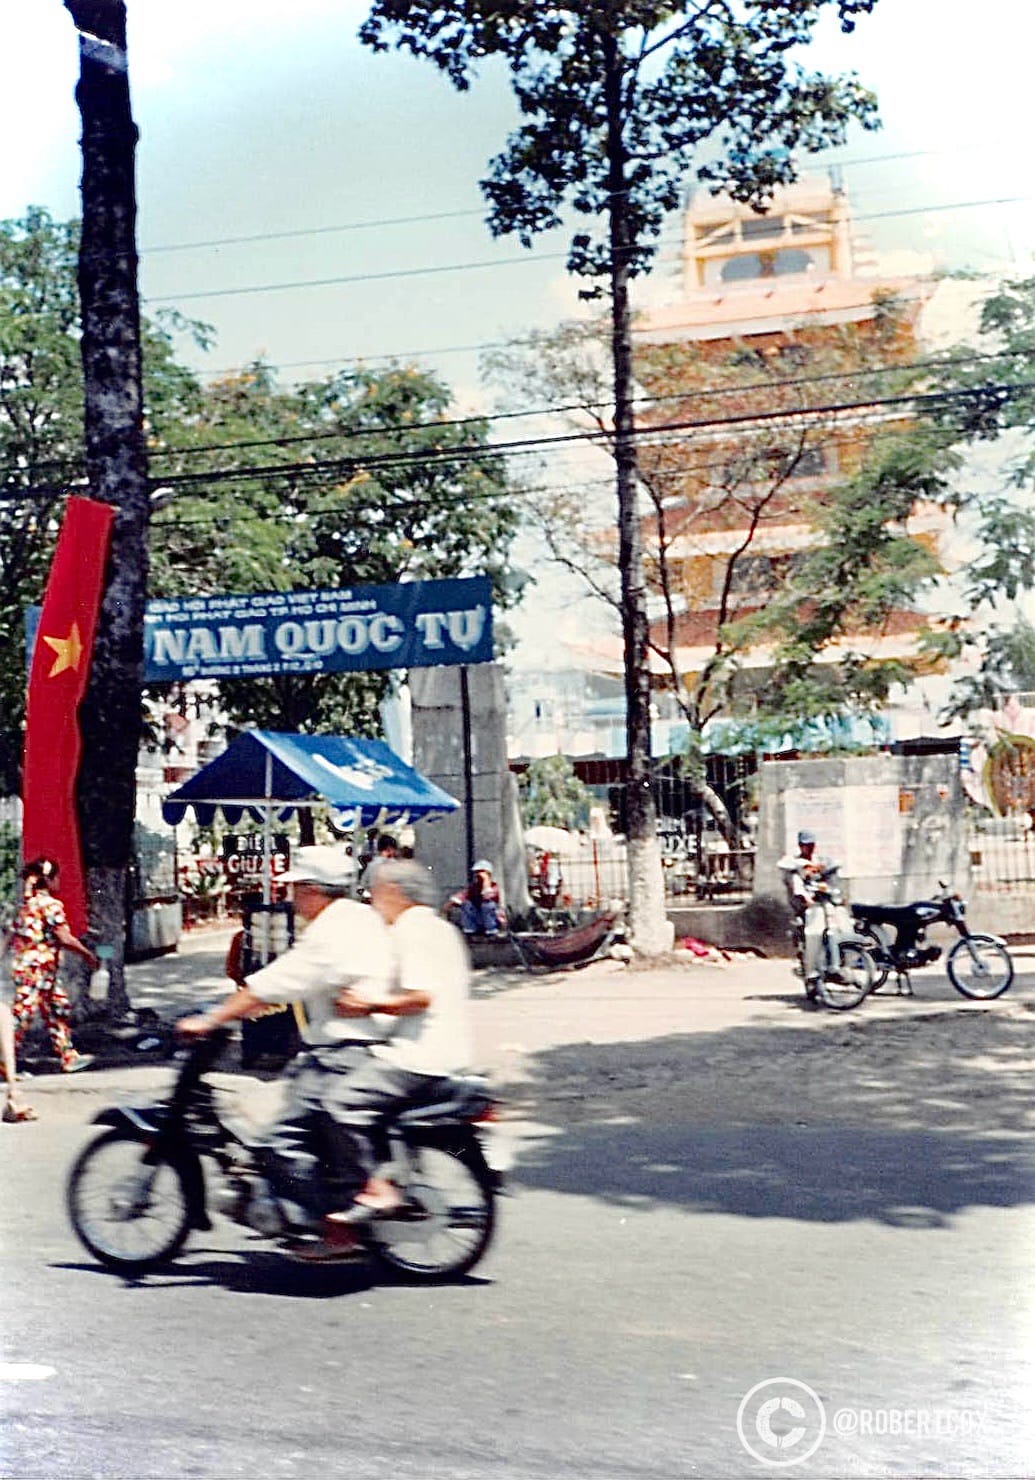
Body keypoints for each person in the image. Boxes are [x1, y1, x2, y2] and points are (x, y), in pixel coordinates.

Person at [177, 845, 395, 1249]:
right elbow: (286, 986)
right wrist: (245, 1007)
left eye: (297, 889)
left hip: (341, 1055)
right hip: (354, 1047)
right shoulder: (357, 918)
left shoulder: (330, 933)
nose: (292, 897)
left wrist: (212, 1019)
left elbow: (276, 980)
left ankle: (333, 1229)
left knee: (278, 1141)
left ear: (314, 890)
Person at [313, 857, 475, 1260]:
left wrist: (368, 1005)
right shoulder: (443, 929)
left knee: (338, 1103)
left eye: (374, 893)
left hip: (417, 1059)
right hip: (454, 1054)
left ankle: (373, 1190)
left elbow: (421, 996)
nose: (371, 903)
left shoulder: (410, 929)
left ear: (394, 892)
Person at [5, 857, 98, 1075]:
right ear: (49, 879)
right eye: (57, 878)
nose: (59, 882)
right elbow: (63, 937)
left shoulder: (25, 906)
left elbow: (11, 936)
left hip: (38, 969)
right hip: (37, 969)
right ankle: (3, 1061)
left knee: (57, 1010)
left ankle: (68, 1056)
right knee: (22, 1015)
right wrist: (87, 955)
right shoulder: (51, 905)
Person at [778, 829, 839, 987]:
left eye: (811, 844)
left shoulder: (820, 860)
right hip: (803, 907)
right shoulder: (792, 862)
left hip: (821, 902)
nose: (809, 848)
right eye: (806, 845)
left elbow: (830, 872)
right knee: (807, 935)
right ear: (800, 846)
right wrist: (804, 868)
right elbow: (790, 874)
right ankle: (808, 968)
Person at [446, 859, 506, 937]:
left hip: (493, 920)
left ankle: (491, 930)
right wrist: (448, 906)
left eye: (481, 872)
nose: (478, 875)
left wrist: (486, 880)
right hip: (478, 918)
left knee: (487, 905)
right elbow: (462, 896)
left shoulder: (495, 887)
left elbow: (487, 896)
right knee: (467, 903)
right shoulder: (474, 887)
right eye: (477, 872)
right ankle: (470, 929)